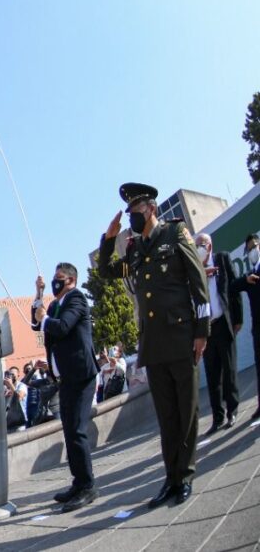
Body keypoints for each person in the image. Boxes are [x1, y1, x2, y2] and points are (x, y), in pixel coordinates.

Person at [98, 182, 209, 507]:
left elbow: (197, 281)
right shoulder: (134, 250)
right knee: (166, 416)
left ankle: (184, 476)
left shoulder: (176, 235)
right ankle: (170, 479)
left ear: (152, 209)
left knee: (186, 411)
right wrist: (109, 238)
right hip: (153, 342)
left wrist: (201, 330)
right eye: (129, 212)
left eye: (136, 210)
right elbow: (106, 270)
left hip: (181, 335)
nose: (132, 215)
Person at [32, 263, 100, 512]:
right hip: (66, 379)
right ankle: (78, 482)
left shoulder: (77, 299)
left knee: (78, 431)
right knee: (70, 431)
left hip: (81, 376)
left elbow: (61, 327)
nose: (55, 282)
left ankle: (88, 485)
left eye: (59, 279)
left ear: (71, 280)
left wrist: (46, 318)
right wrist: (38, 296)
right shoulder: (54, 305)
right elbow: (36, 324)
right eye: (53, 278)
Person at [194, 233, 243, 433]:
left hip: (224, 323)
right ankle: (217, 417)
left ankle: (232, 410)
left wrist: (237, 320)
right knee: (212, 375)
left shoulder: (222, 258)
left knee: (229, 369)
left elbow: (233, 289)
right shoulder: (195, 271)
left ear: (210, 246)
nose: (199, 248)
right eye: (196, 245)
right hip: (207, 329)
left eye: (202, 245)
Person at [230, 233, 260, 421]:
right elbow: (232, 287)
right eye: (249, 248)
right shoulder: (250, 276)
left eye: (255, 246)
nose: (253, 250)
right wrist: (245, 280)